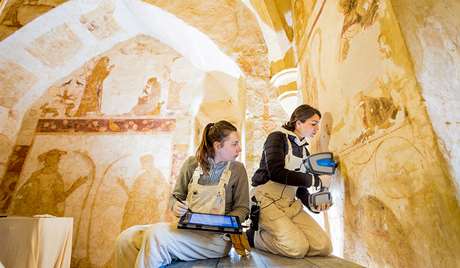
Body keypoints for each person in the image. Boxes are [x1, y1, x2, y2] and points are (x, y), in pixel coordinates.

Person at [115, 120, 249, 267]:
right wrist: (175, 206)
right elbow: (175, 197)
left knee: (157, 235)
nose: (239, 148)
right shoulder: (191, 164)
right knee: (126, 238)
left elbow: (243, 208)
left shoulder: (238, 170)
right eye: (234, 144)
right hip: (186, 230)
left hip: (215, 240)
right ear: (218, 146)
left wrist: (222, 223)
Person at [247, 104, 333, 258]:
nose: (317, 129)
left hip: (289, 203)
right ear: (298, 122)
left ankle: (285, 237)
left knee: (323, 246)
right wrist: (315, 180)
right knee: (297, 248)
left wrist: (313, 205)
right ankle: (252, 236)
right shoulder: (276, 137)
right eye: (313, 124)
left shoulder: (305, 150)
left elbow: (299, 188)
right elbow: (276, 172)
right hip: (266, 201)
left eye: (318, 125)